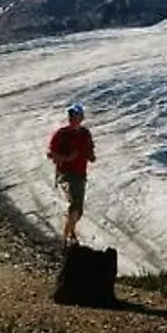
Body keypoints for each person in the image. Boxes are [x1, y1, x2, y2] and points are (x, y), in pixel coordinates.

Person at [47, 103, 96, 246]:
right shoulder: (62, 134)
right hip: (65, 174)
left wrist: (91, 156)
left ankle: (70, 230)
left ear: (82, 117)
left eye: (75, 115)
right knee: (74, 204)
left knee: (78, 209)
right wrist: (66, 159)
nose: (72, 118)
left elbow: (90, 151)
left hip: (80, 174)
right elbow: (50, 154)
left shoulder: (85, 134)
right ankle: (66, 239)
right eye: (71, 115)